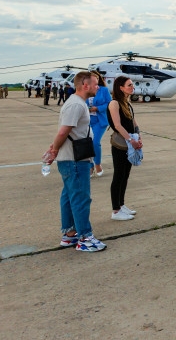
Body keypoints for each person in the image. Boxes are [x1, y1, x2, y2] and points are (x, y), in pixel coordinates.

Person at [43, 71, 106, 252]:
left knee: (70, 196)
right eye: (95, 83)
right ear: (84, 85)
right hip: (74, 159)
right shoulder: (76, 105)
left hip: (74, 158)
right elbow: (64, 132)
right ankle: (85, 237)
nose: (98, 87)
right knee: (80, 197)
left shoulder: (78, 103)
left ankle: (70, 235)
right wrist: (53, 150)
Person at [107, 76, 143, 220]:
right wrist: (130, 139)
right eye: (129, 85)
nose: (132, 87)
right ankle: (115, 210)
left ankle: (121, 205)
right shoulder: (114, 103)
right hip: (121, 144)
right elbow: (117, 125)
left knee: (125, 175)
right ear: (121, 87)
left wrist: (139, 136)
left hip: (130, 143)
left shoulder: (126, 103)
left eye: (132, 84)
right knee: (118, 175)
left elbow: (134, 122)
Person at [89, 72, 112, 177]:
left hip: (100, 120)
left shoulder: (104, 90)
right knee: (87, 143)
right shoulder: (85, 89)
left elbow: (109, 103)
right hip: (87, 121)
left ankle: (97, 163)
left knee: (95, 142)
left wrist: (97, 108)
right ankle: (90, 166)